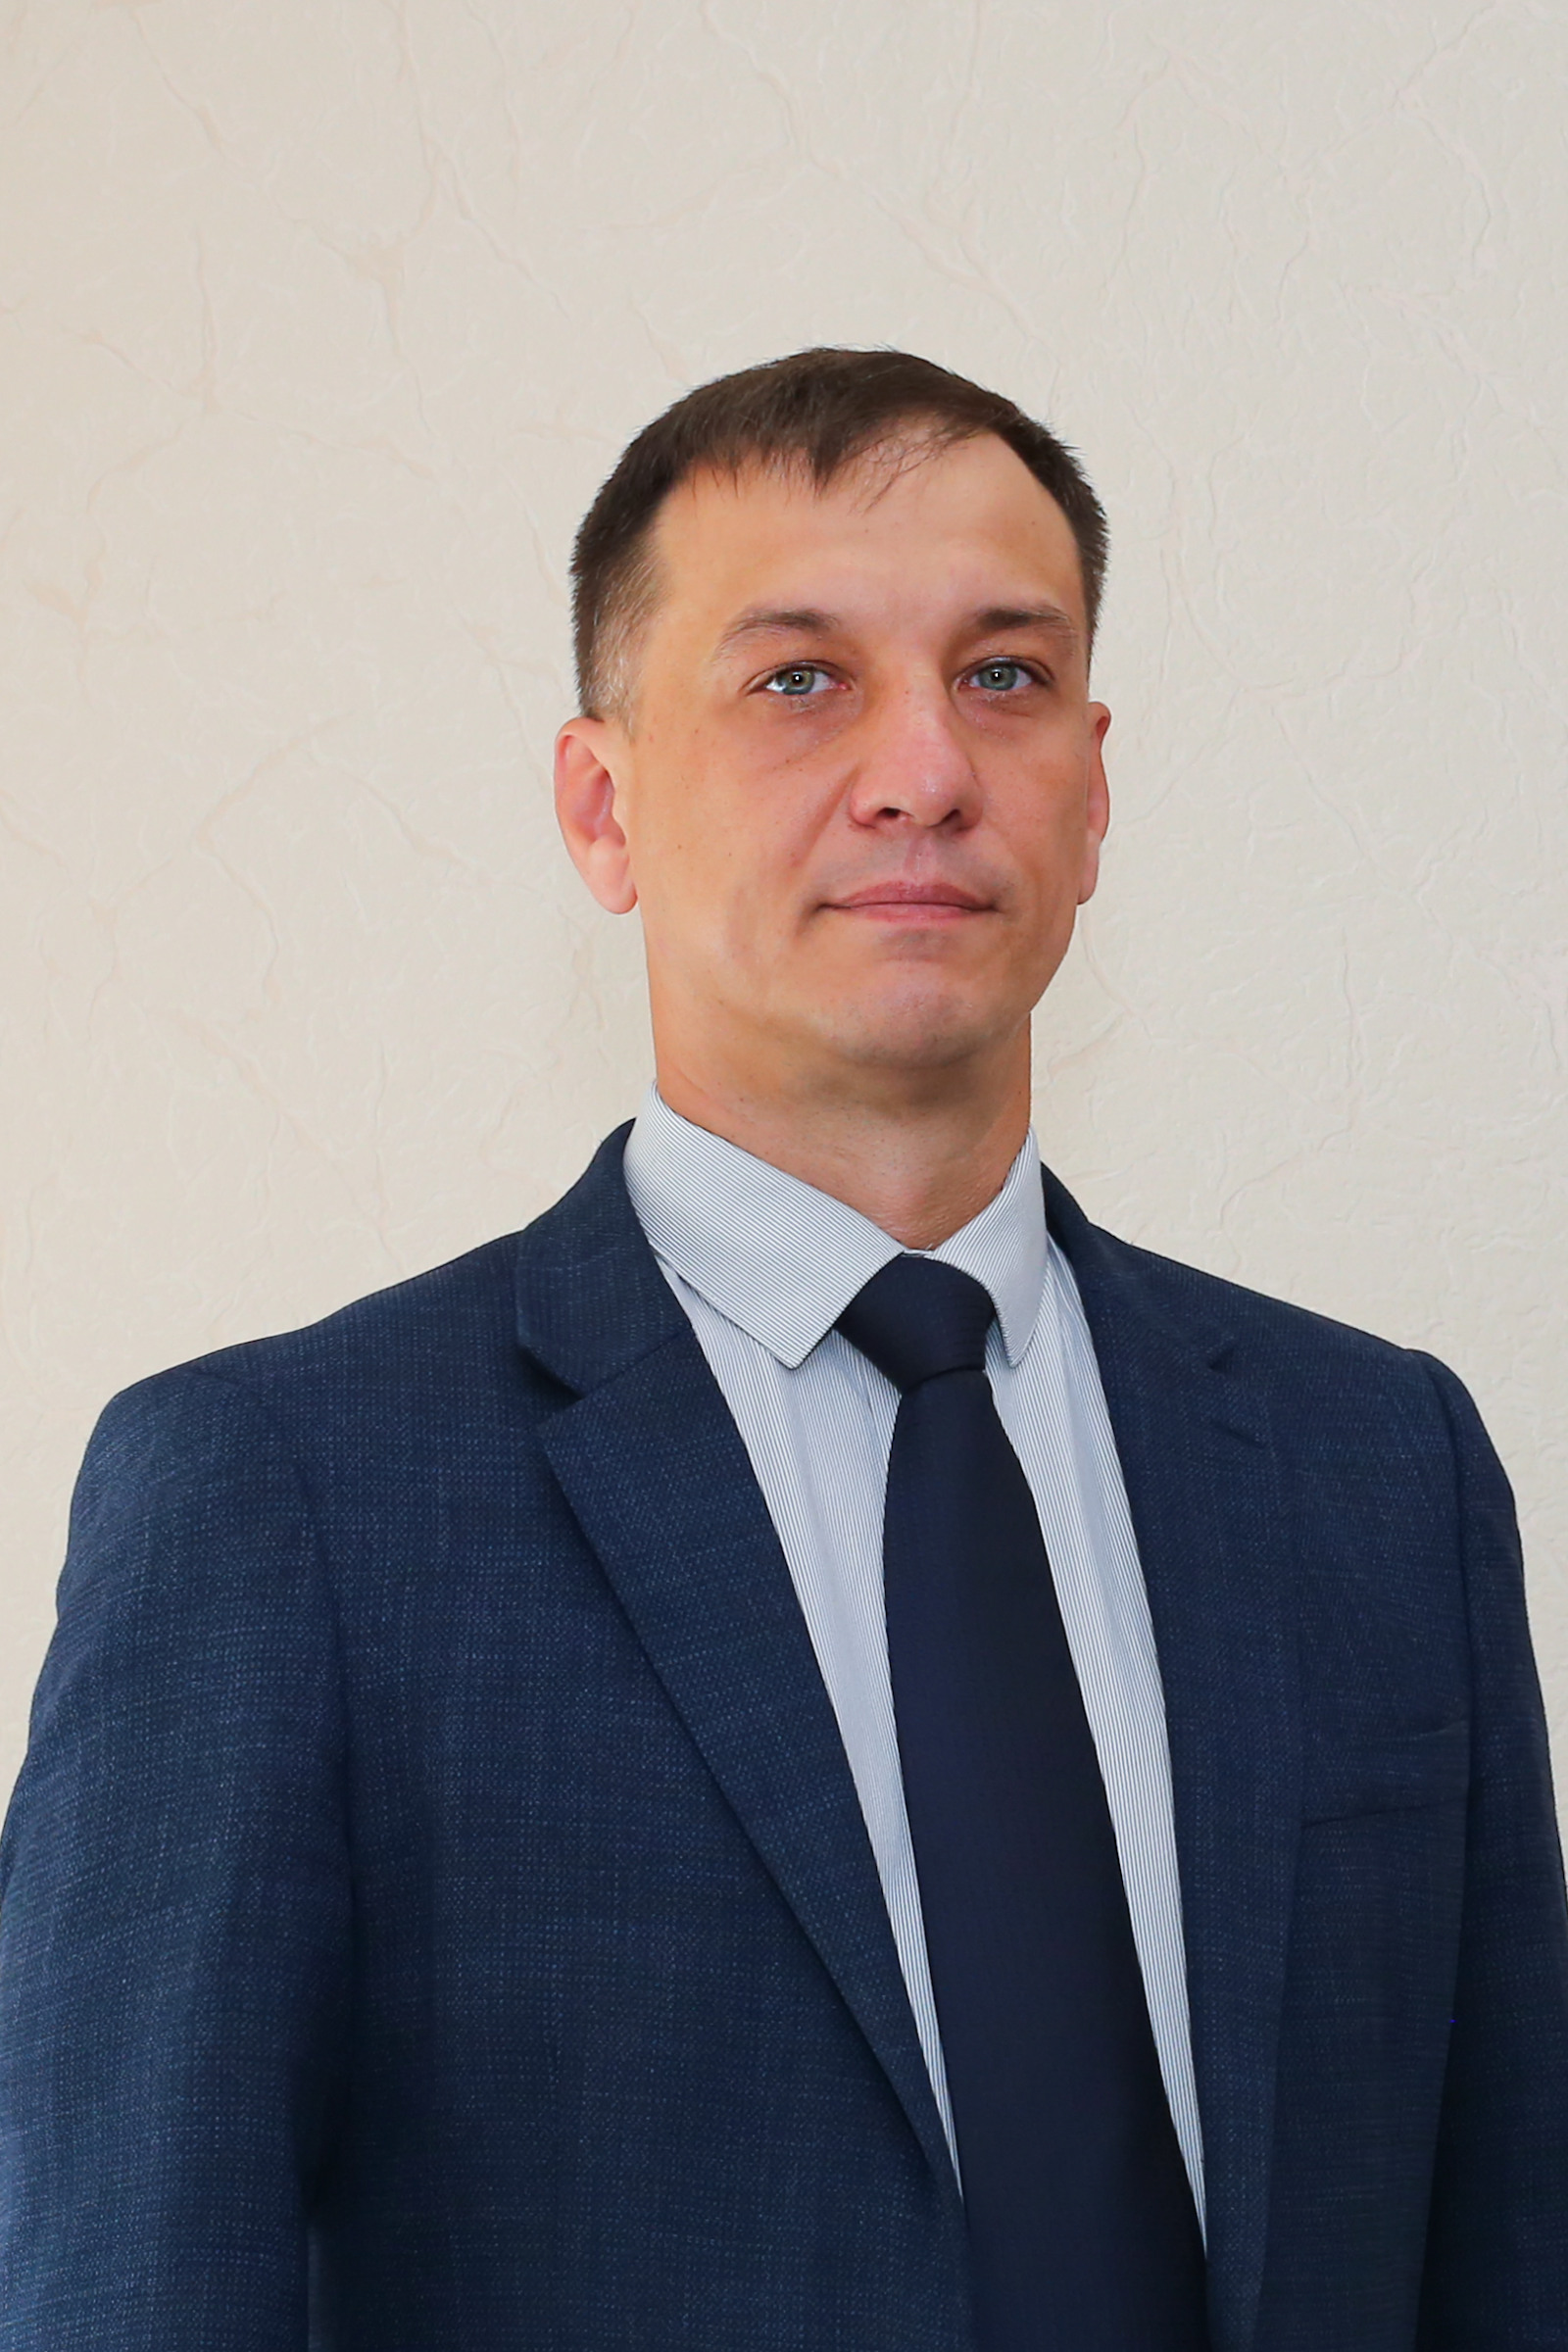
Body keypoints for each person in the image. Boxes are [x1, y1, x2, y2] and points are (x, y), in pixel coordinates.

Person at [1, 347, 1564, 2352]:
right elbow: (130, 2285)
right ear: (603, 808)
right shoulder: (282, 1500)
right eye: (799, 678)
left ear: (1093, 792)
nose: (923, 769)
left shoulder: (1381, 1467)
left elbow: (1505, 2253)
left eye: (1002, 674)